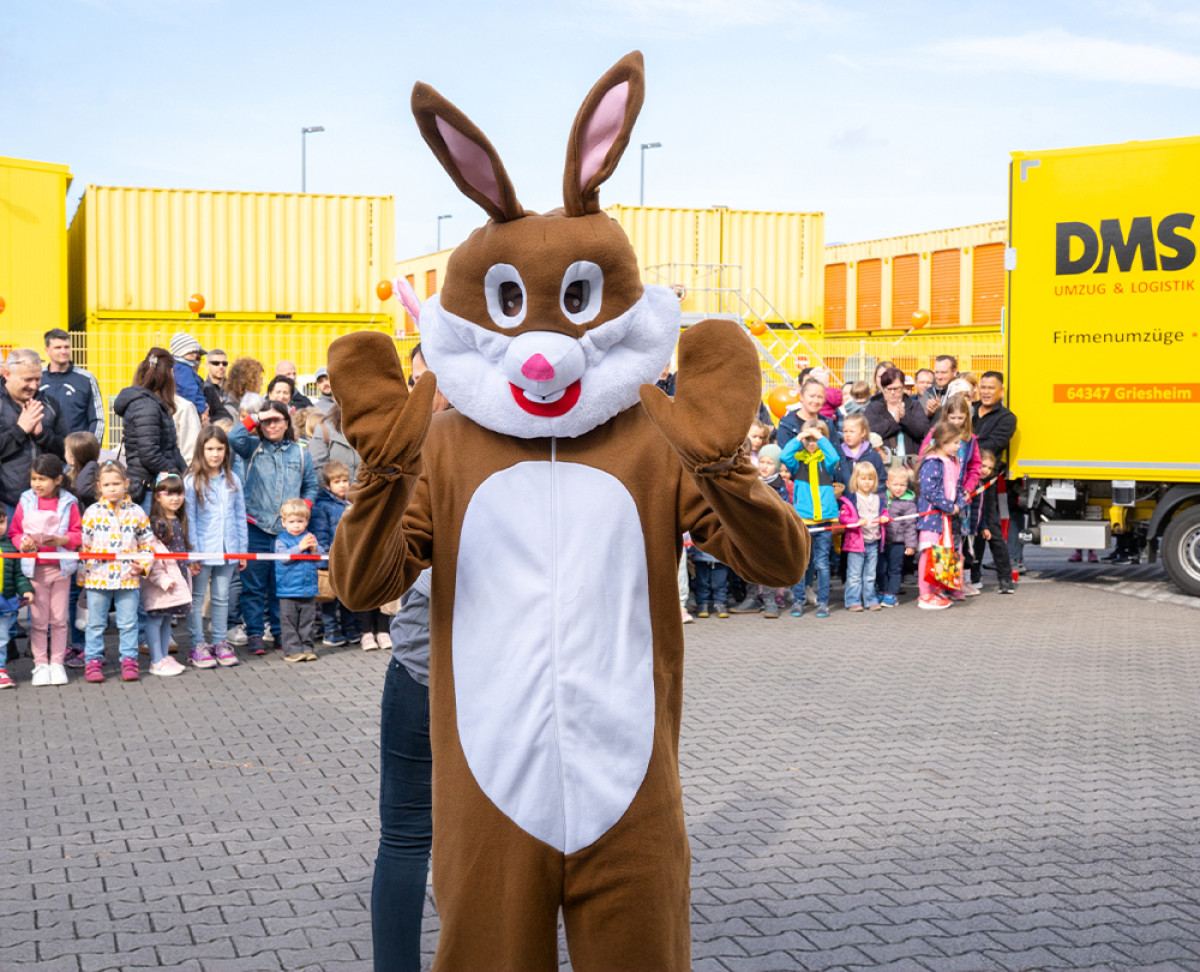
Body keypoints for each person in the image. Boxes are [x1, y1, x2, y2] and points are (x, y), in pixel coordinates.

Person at [369, 340, 446, 972]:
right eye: (417, 380)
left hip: (478, 678)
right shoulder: (412, 457)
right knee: (407, 837)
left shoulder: (429, 452)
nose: (424, 396)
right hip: (425, 671)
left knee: (472, 839)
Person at [229, 401, 318, 655]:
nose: (272, 425)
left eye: (277, 419)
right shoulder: (251, 448)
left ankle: (281, 633)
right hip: (255, 525)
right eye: (267, 421)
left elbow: (310, 485)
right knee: (253, 586)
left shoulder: (301, 453)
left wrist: (303, 508)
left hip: (287, 531)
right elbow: (232, 436)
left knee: (282, 584)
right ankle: (255, 633)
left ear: (287, 423)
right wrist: (256, 416)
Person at [80, 461, 154, 682]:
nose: (112, 488)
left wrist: (144, 566)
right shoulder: (92, 513)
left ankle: (129, 660)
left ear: (126, 483)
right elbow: (84, 546)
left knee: (128, 623)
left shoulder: (137, 512)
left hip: (128, 578)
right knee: (95, 623)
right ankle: (92, 661)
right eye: (107, 484)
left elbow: (147, 544)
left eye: (116, 483)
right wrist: (82, 578)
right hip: (97, 579)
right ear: (99, 486)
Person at [11, 455, 81, 686]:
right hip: (35, 571)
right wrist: (24, 543)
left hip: (61, 569)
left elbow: (77, 533)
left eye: (42, 479)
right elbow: (15, 532)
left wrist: (60, 539)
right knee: (39, 621)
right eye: (33, 479)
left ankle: (57, 663)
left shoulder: (69, 502)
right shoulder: (26, 500)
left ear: (58, 479)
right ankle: (40, 664)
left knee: (59, 619)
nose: (37, 484)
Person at [185, 426, 246, 668]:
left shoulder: (233, 480)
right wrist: (193, 554)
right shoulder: (191, 481)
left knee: (222, 598)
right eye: (210, 448)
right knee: (197, 598)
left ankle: (220, 642)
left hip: (228, 548)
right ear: (201, 450)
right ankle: (198, 644)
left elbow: (240, 515)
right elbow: (188, 519)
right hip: (203, 549)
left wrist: (241, 550)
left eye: (220, 448)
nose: (215, 454)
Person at [780, 418, 840, 618]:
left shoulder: (827, 461)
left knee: (822, 563)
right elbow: (784, 454)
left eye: (815, 439)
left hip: (824, 520)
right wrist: (800, 437)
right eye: (809, 439)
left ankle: (822, 602)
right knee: (802, 562)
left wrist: (820, 437)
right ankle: (798, 600)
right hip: (804, 520)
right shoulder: (797, 461)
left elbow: (834, 455)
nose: (812, 442)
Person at [113, 348, 186, 508]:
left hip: (153, 485)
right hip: (147, 489)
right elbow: (149, 454)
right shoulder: (147, 406)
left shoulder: (151, 404)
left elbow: (170, 449)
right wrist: (175, 473)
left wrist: (185, 472)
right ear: (168, 374)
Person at [1, 349, 68, 519]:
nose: (33, 385)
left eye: (38, 379)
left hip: (46, 504)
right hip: (6, 506)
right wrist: (20, 430)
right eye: (27, 380)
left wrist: (42, 434)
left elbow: (66, 452)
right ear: (7, 374)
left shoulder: (49, 404)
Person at [142, 474, 193, 677]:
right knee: (155, 618)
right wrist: (162, 578)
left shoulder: (178, 519)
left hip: (176, 578)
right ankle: (156, 659)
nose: (175, 499)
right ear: (157, 497)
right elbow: (152, 555)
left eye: (179, 493)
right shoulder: (157, 523)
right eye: (169, 494)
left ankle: (163, 656)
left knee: (166, 619)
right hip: (160, 581)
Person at [971, 371, 1021, 569]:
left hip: (986, 481)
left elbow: (992, 445)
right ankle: (969, 575)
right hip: (962, 477)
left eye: (991, 388)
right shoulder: (970, 410)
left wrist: (967, 442)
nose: (986, 391)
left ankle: (1003, 576)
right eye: (983, 387)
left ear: (1001, 390)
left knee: (989, 527)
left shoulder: (1007, 418)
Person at [310, 461, 362, 649]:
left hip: (351, 557)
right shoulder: (322, 507)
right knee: (330, 597)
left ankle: (349, 627)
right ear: (327, 485)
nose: (342, 485)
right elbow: (321, 533)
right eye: (337, 482)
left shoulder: (353, 502)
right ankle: (330, 630)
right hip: (332, 557)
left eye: (345, 480)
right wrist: (323, 556)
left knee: (347, 595)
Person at [916, 423, 964, 611]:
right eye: (954, 442)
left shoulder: (953, 461)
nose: (958, 446)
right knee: (929, 552)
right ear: (943, 442)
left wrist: (958, 505)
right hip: (933, 517)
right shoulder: (932, 462)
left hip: (947, 516)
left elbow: (958, 487)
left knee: (945, 552)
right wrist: (948, 506)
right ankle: (925, 592)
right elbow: (929, 490)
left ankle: (938, 588)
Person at [63, 432, 101, 667]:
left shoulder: (88, 481)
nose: (63, 455)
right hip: (73, 549)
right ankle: (78, 643)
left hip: (88, 549)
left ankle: (91, 647)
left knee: (88, 598)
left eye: (67, 451)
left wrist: (91, 465)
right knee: (74, 597)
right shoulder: (68, 478)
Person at [274, 497, 321, 662]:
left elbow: (320, 559)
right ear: (284, 522)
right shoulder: (281, 540)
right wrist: (300, 547)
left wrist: (314, 550)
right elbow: (283, 558)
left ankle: (307, 648)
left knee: (307, 622)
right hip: (288, 591)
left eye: (300, 521)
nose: (296, 525)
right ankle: (292, 650)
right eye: (292, 521)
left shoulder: (311, 537)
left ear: (307, 521)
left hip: (308, 589)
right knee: (289, 623)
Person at [39, 329, 106, 442]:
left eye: (66, 347)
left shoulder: (86, 378)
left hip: (76, 452)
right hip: (44, 451)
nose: (63, 351)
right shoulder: (38, 377)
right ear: (47, 350)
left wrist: (91, 448)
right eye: (58, 347)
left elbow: (98, 419)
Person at [839, 461, 883, 612]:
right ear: (856, 480)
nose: (866, 482)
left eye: (870, 479)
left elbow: (883, 512)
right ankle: (853, 600)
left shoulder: (878, 498)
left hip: (873, 541)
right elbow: (843, 518)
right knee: (854, 575)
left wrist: (885, 517)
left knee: (870, 575)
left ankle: (870, 599)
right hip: (856, 544)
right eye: (863, 478)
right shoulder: (851, 499)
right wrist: (856, 522)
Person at [863, 366, 929, 465]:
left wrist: (905, 419)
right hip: (884, 462)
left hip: (911, 462)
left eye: (896, 388)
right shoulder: (874, 407)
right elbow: (869, 431)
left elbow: (922, 431)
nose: (893, 393)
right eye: (889, 389)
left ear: (903, 387)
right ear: (883, 389)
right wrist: (894, 422)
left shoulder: (914, 406)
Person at [0, 507, 35, 689]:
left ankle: (0, 670)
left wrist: (25, 590)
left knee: (2, 638)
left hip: (4, 604)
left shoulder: (11, 547)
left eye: (1, 522)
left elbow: (19, 575)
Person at [971, 450, 1015, 594]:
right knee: (974, 544)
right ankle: (974, 576)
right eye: (983, 466)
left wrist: (985, 524)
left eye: (989, 468)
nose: (986, 470)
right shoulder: (970, 478)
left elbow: (988, 506)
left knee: (995, 538)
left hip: (986, 512)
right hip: (973, 514)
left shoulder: (989, 481)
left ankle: (1005, 579)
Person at [880, 465, 917, 607]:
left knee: (895, 569)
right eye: (895, 484)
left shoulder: (908, 503)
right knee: (881, 568)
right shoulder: (881, 498)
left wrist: (910, 545)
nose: (899, 488)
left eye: (903, 485)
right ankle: (882, 590)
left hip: (898, 541)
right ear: (888, 484)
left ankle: (892, 594)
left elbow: (910, 526)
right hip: (883, 540)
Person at [778, 378, 837, 451]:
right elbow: (784, 453)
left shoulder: (828, 423)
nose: (815, 401)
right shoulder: (787, 423)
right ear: (801, 397)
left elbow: (837, 453)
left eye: (820, 397)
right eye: (812, 396)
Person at [309, 404, 361, 484]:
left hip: (366, 493)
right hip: (332, 493)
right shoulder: (324, 429)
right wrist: (333, 490)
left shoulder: (374, 427)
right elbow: (316, 467)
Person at [835, 414, 886, 492]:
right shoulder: (837, 455)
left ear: (863, 433)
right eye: (845, 431)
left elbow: (882, 482)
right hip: (845, 501)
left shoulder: (873, 456)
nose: (848, 435)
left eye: (852, 431)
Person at [170, 333, 210, 425]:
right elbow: (189, 391)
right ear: (180, 353)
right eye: (190, 352)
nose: (194, 356)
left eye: (195, 352)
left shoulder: (181, 368)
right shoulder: (183, 369)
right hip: (189, 413)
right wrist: (202, 408)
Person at [224, 357, 265, 424]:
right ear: (250, 382)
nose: (262, 384)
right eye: (260, 380)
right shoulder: (232, 411)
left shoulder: (232, 403)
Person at [920, 354, 958, 424]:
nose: (939, 377)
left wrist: (940, 410)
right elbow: (920, 421)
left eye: (943, 372)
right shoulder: (928, 392)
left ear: (954, 372)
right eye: (936, 372)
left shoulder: (962, 390)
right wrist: (928, 413)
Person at [202, 348, 230, 421]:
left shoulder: (234, 388)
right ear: (207, 365)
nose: (221, 367)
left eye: (224, 363)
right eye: (216, 363)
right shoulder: (203, 389)